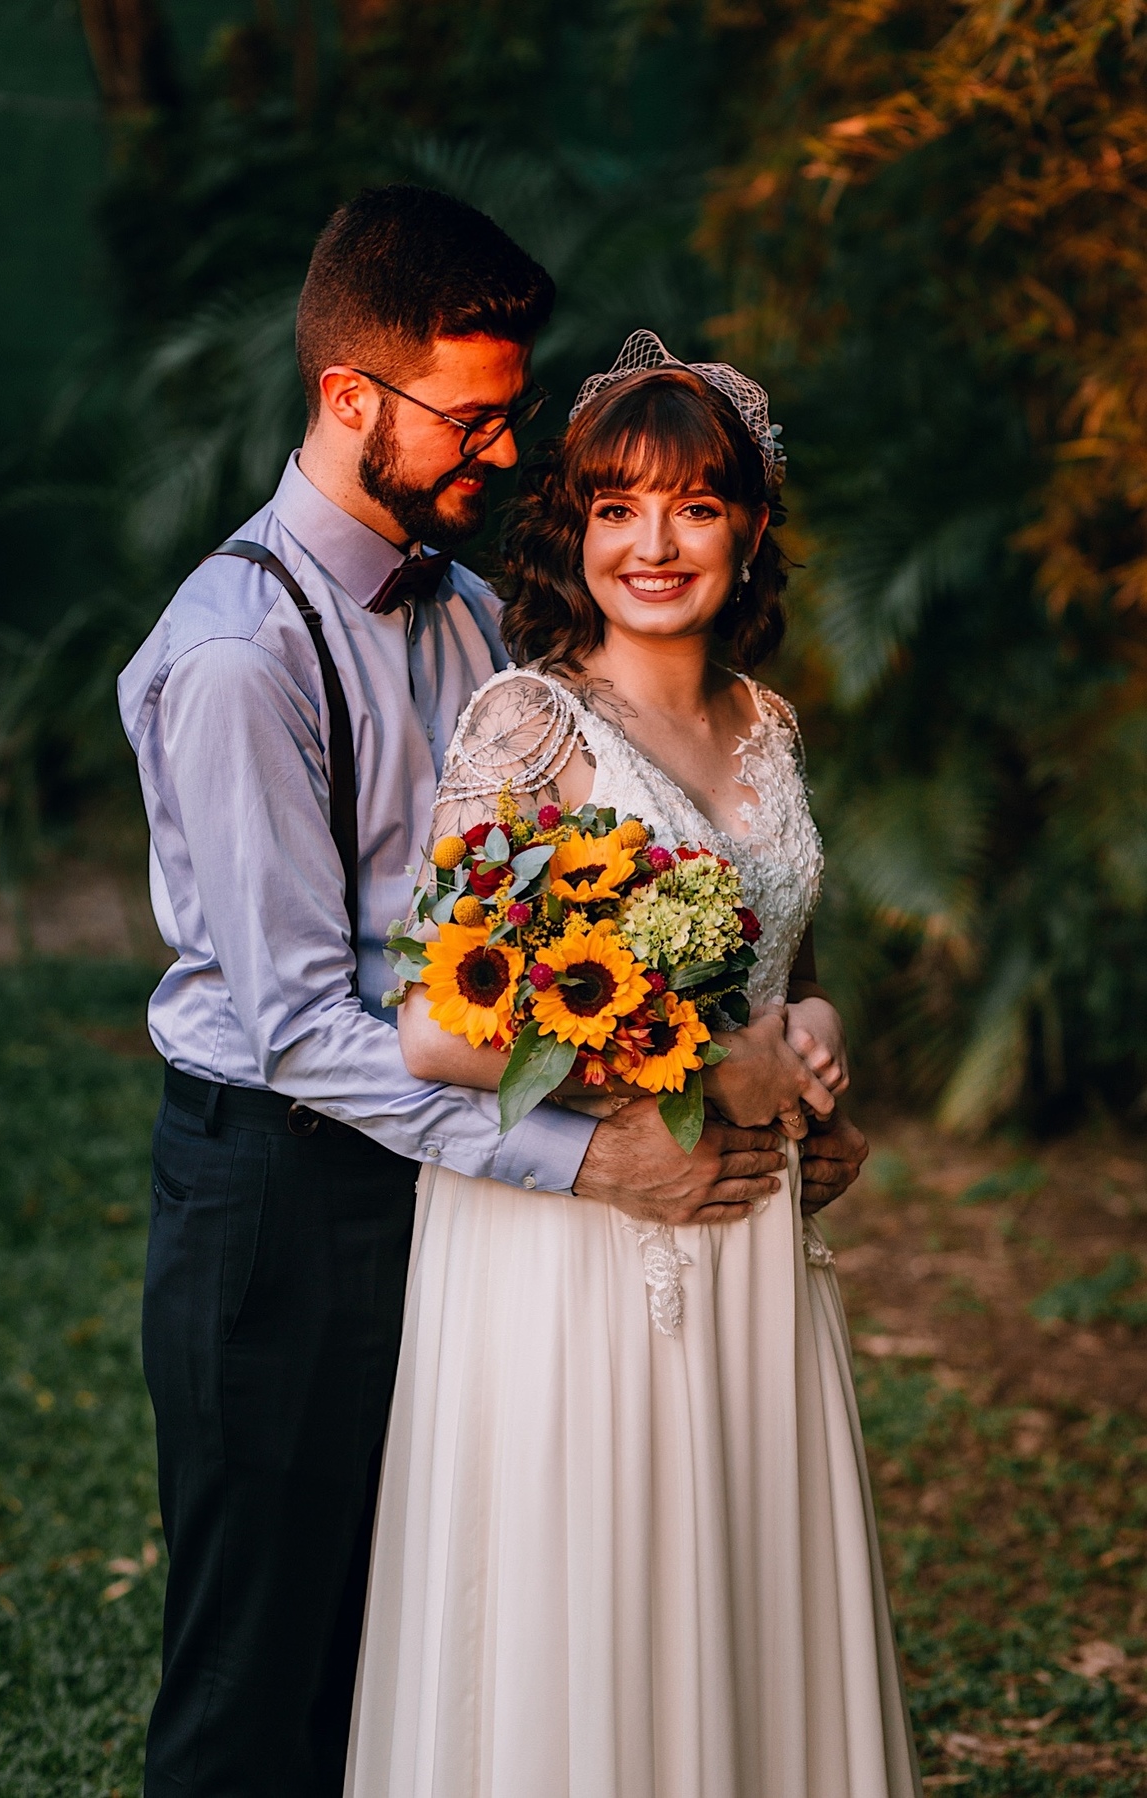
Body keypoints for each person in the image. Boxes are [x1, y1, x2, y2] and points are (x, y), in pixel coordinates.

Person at [118, 192, 867, 1798]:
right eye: (474, 417)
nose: (510, 451)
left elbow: (615, 889)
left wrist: (781, 1053)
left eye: (517, 412)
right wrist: (593, 1152)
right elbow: (303, 1028)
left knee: (423, 1635)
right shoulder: (242, 654)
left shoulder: (469, 613)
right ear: (351, 397)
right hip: (285, 1194)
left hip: (463, 1200)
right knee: (261, 1679)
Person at [345, 333, 917, 1798]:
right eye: (617, 508)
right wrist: (698, 1065)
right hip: (579, 1250)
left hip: (749, 1244)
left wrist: (815, 1040)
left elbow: (784, 972)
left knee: (745, 1607)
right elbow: (437, 1026)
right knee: (592, 1615)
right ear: (578, 529)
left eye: (695, 507)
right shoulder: (528, 727)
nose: (653, 545)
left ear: (751, 528)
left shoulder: (768, 726)